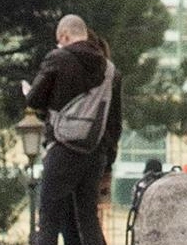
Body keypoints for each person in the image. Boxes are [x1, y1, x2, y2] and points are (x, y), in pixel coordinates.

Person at [25, 14, 123, 245]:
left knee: (48, 218)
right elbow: (114, 123)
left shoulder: (58, 59)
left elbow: (34, 99)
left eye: (60, 41)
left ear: (65, 36)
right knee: (89, 219)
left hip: (63, 148)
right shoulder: (110, 71)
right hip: (94, 151)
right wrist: (108, 162)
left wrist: (35, 98)